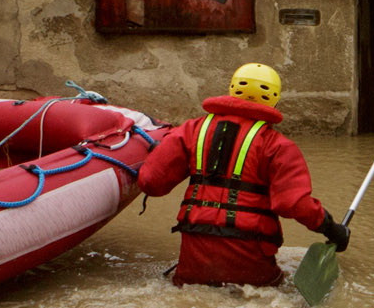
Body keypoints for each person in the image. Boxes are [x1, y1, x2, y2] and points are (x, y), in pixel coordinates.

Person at [132, 61, 348, 288]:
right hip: (249, 253)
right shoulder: (278, 145)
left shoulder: (192, 130)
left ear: (232, 89)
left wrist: (157, 153)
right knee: (271, 294)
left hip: (195, 250)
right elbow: (292, 203)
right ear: (274, 98)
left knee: (190, 292)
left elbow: (151, 182)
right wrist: (331, 228)